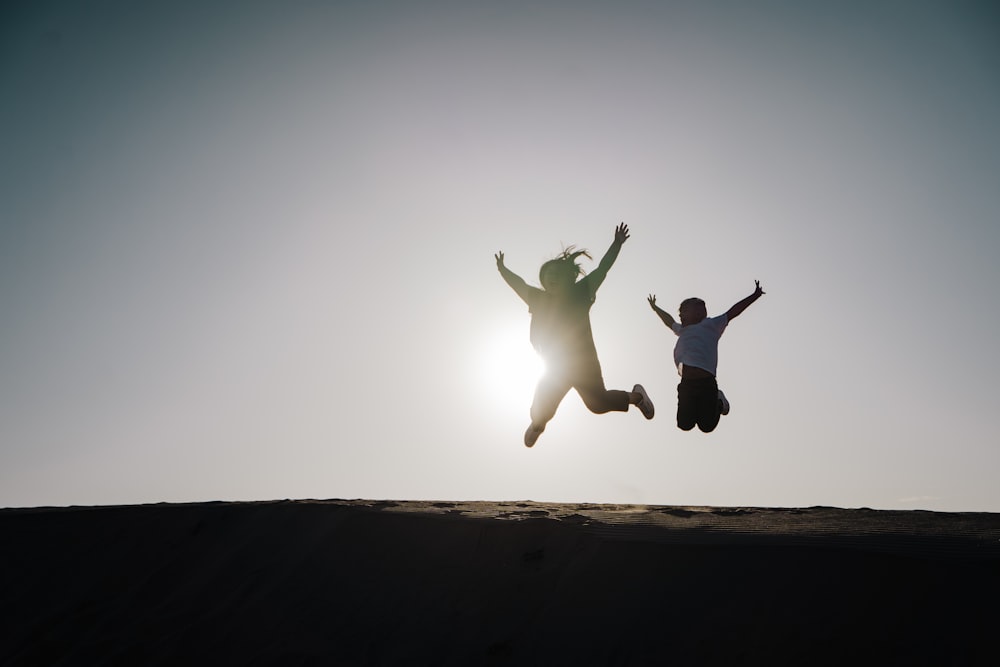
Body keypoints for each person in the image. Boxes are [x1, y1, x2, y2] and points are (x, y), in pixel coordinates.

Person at [495, 223, 655, 447]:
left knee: (597, 404)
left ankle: (637, 397)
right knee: (540, 410)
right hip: (555, 364)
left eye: (555, 274)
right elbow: (518, 284)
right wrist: (503, 270)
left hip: (583, 363)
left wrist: (616, 244)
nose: (550, 278)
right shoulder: (538, 299)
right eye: (546, 275)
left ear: (568, 277)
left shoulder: (580, 292)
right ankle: (538, 425)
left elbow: (603, 269)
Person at [647, 281, 765, 433]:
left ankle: (719, 402)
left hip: (707, 383)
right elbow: (668, 321)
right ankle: (707, 406)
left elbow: (734, 311)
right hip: (687, 383)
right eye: (680, 314)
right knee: (685, 424)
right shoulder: (682, 329)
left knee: (707, 426)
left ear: (697, 313)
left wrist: (754, 296)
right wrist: (656, 308)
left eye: (684, 311)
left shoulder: (713, 325)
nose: (681, 315)